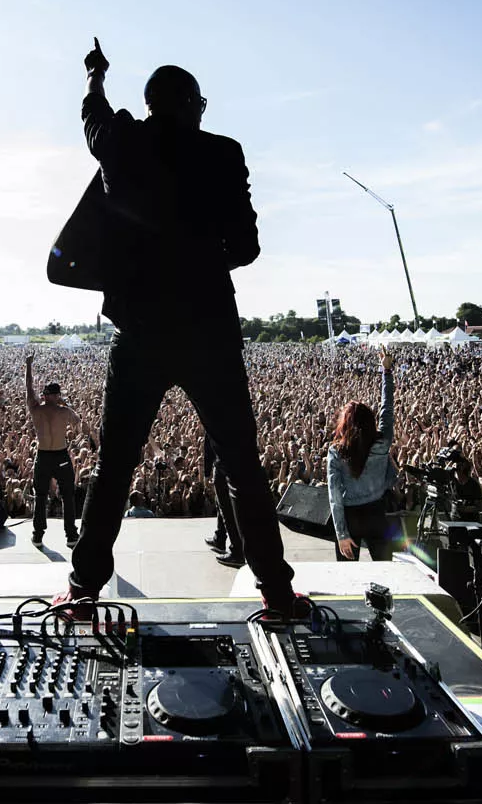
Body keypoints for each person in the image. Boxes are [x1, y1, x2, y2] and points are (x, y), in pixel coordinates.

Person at [56, 38, 300, 615]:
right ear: (191, 104)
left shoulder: (121, 141)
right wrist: (203, 261)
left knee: (115, 466)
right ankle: (276, 590)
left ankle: (83, 588)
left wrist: (95, 75)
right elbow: (247, 246)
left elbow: (92, 116)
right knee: (240, 461)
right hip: (208, 327)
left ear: (150, 104)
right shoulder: (224, 153)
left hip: (140, 330)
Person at [327, 350, 397, 562]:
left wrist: (341, 534)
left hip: (351, 518)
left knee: (349, 575)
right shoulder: (382, 443)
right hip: (377, 513)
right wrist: (386, 371)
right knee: (385, 572)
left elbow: (335, 497)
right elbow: (387, 408)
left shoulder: (336, 452)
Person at [25, 352, 93, 548]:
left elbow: (29, 387)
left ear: (45, 395)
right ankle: (71, 535)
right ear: (56, 396)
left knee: (40, 496)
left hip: (43, 456)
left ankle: (38, 536)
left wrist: (28, 366)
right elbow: (79, 423)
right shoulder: (64, 411)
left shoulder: (36, 409)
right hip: (60, 455)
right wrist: (66, 404)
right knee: (67, 495)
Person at [202, 435, 245, 568]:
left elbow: (208, 444)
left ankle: (236, 551)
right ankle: (219, 538)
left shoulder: (214, 422)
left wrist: (206, 473)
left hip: (222, 465)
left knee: (226, 509)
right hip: (236, 464)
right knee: (221, 503)